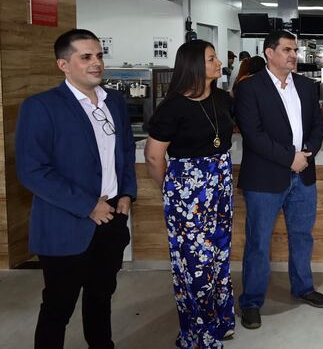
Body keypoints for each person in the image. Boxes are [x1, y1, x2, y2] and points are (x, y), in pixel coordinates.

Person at [15, 29, 136, 349]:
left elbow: (124, 150)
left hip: (111, 218)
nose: (96, 63)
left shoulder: (116, 101)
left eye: (99, 55)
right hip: (66, 223)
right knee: (58, 306)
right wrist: (88, 205)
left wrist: (126, 193)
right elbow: (32, 171)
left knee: (101, 297)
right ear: (63, 65)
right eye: (86, 57)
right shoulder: (41, 106)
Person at [144, 40, 236, 348]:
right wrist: (171, 191)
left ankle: (222, 321)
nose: (219, 62)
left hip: (221, 185)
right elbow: (154, 157)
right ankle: (200, 333)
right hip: (188, 192)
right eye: (211, 58)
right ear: (194, 65)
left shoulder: (223, 98)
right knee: (196, 263)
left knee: (220, 257)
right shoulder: (172, 107)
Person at [235, 30, 323, 330]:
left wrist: (307, 154)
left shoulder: (305, 85)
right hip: (265, 178)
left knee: (302, 236)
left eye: (295, 50)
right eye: (287, 49)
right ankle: (250, 301)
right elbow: (254, 134)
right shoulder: (249, 89)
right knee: (259, 242)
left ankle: (303, 287)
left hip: (304, 174)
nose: (293, 55)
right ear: (269, 53)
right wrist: (291, 158)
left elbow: (317, 124)